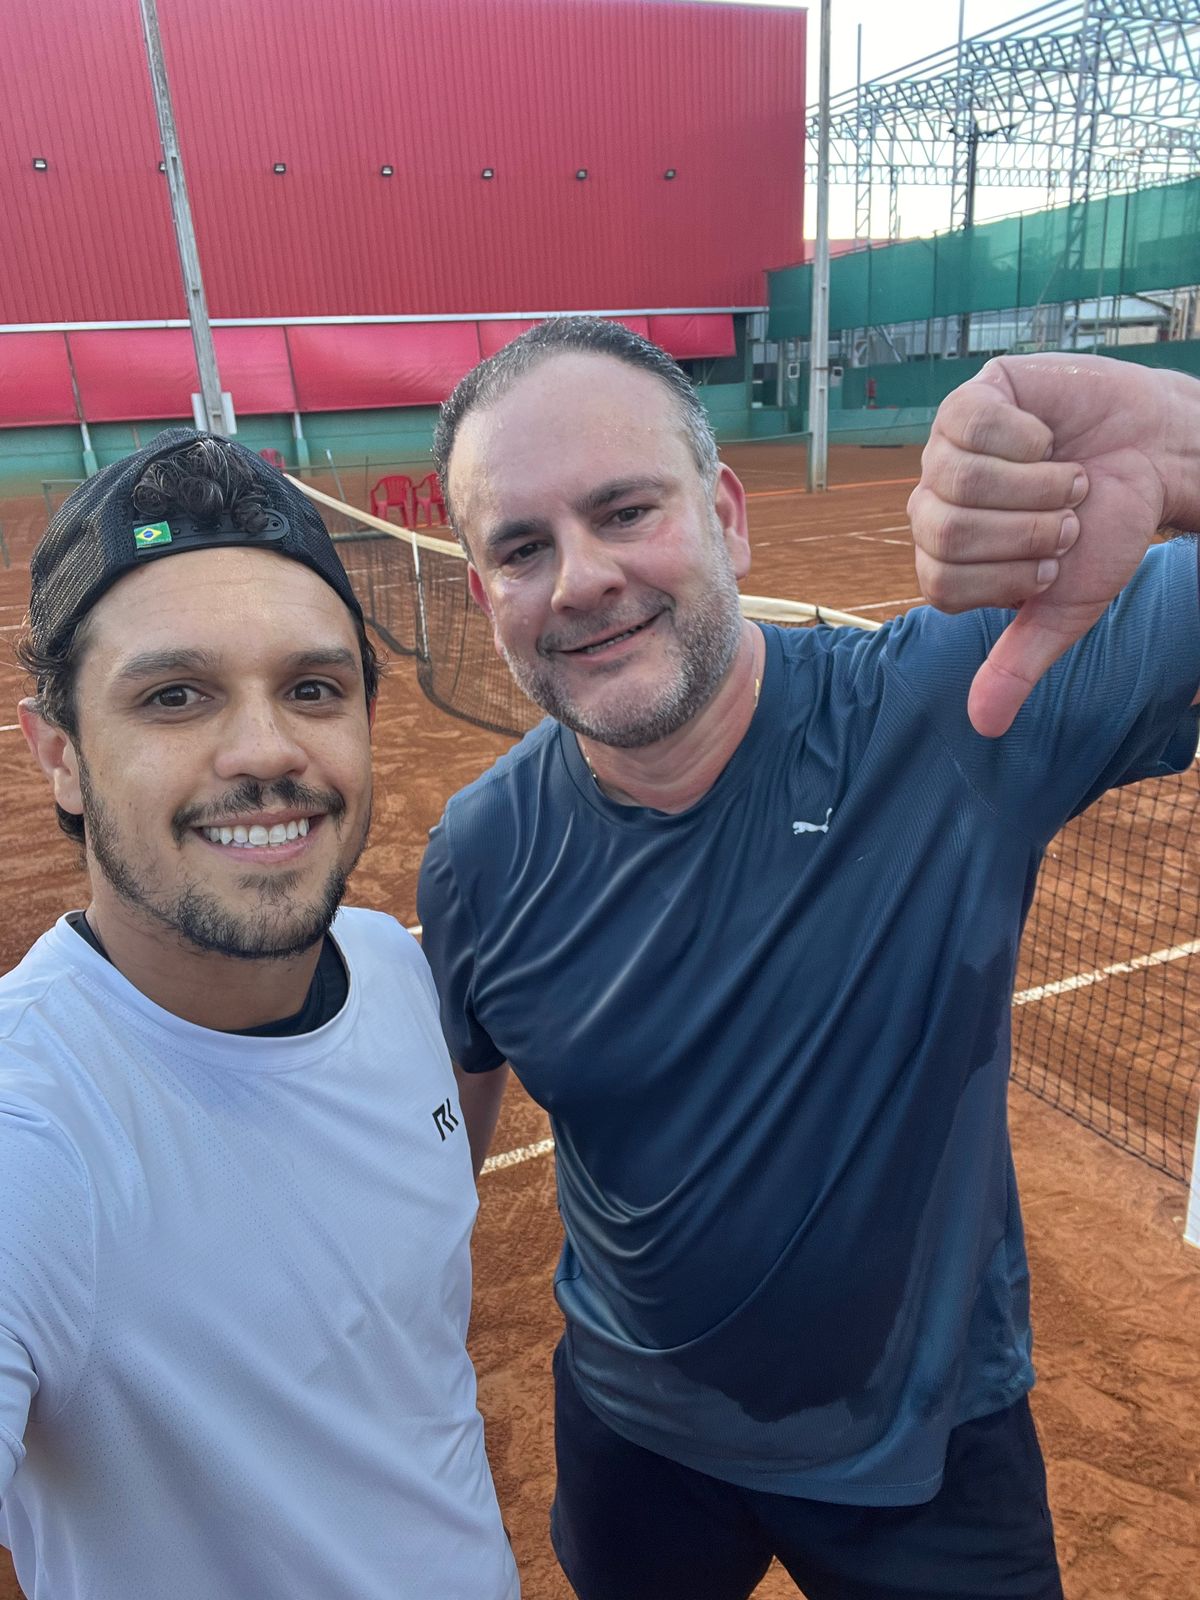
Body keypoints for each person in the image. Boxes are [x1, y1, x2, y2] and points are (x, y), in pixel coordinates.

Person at [417, 317, 1200, 1600]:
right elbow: (441, 1135)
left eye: (625, 510)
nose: (581, 579)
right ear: (483, 596)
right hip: (630, 1439)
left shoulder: (955, 709)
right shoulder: (477, 853)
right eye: (521, 547)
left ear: (726, 517)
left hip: (927, 1455)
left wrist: (1187, 448)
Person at [0, 432, 519, 1600]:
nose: (265, 750)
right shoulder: (32, 1132)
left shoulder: (392, 969)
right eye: (174, 696)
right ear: (61, 756)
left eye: (312, 688)